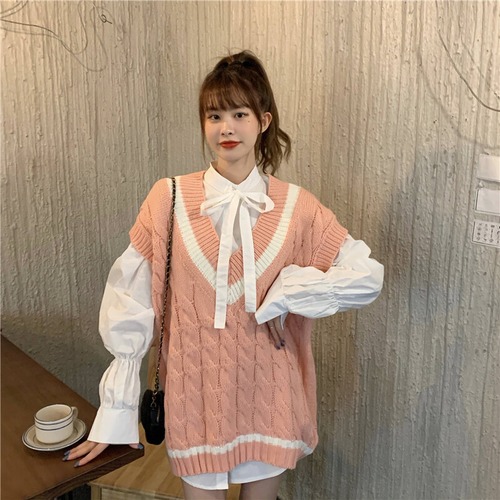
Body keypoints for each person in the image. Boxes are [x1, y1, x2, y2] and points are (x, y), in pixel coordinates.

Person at [63, 51, 384, 500]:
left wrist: (289, 290)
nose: (226, 128)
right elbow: (129, 299)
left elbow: (367, 275)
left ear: (263, 121)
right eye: (214, 116)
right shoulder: (168, 199)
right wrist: (115, 414)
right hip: (195, 396)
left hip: (270, 397)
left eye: (239, 114)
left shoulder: (297, 207)